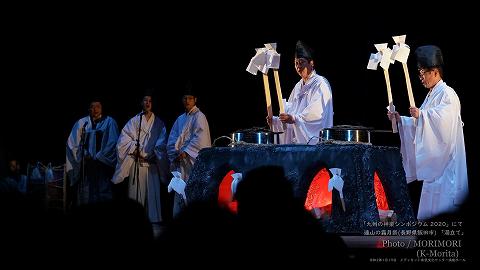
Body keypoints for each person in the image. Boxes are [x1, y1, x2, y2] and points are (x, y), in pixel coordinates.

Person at [388, 45, 468, 221]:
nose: (421, 78)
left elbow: (444, 123)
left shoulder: (448, 94)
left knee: (444, 211)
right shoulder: (432, 95)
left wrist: (423, 114)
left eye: (423, 73)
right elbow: (419, 125)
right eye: (419, 73)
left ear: (435, 72)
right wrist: (401, 119)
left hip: (446, 164)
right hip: (434, 166)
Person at [111, 89, 169, 224]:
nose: (148, 103)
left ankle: (154, 219)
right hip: (137, 162)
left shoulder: (159, 123)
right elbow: (123, 140)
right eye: (145, 100)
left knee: (152, 193)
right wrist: (135, 150)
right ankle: (136, 219)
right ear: (141, 103)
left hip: (152, 163)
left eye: (150, 101)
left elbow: (162, 143)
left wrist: (153, 154)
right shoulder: (134, 121)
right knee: (137, 193)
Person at [267, 40, 333, 144]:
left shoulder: (320, 84)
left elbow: (317, 114)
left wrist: (294, 118)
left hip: (315, 143)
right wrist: (276, 121)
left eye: (301, 62)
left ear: (311, 63)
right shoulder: (298, 86)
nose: (298, 66)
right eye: (296, 63)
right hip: (297, 145)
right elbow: (291, 112)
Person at [167, 84, 211, 216]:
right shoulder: (180, 118)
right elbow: (172, 137)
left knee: (192, 190)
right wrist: (175, 152)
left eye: (190, 98)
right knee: (180, 191)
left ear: (195, 100)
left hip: (192, 161)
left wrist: (186, 152)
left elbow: (200, 138)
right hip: (181, 162)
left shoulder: (199, 116)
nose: (187, 101)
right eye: (185, 98)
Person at [66, 99, 119, 206]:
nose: (95, 109)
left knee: (102, 190)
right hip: (86, 164)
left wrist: (99, 156)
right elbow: (72, 143)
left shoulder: (109, 122)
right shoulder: (82, 123)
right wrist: (84, 155)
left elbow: (113, 142)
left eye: (98, 106)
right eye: (92, 106)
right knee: (86, 191)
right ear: (89, 109)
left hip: (103, 164)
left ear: (102, 108)